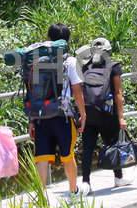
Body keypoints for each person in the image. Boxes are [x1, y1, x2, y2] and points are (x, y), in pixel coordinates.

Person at [25, 22, 87, 198]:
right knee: (68, 155)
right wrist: (83, 114)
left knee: (42, 157)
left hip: (41, 116)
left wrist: (31, 120)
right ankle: (74, 192)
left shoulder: (37, 61)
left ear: (49, 39)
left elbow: (32, 92)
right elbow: (77, 90)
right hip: (63, 115)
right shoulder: (70, 61)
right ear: (67, 40)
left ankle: (41, 197)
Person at [76, 37, 128, 190]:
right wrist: (121, 118)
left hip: (89, 113)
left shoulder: (85, 67)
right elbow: (118, 93)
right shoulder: (114, 66)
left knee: (88, 148)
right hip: (107, 113)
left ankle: (86, 183)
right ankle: (118, 178)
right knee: (112, 144)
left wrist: (81, 113)